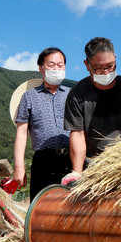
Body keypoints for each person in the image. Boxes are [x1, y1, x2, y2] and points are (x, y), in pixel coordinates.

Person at [62, 37, 121, 183]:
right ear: (87, 64)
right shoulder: (77, 94)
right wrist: (77, 171)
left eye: (110, 65)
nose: (105, 72)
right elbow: (77, 134)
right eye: (98, 67)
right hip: (96, 165)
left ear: (115, 59)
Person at [14, 47, 72, 202]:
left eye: (60, 65)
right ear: (41, 68)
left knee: (72, 209)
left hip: (72, 160)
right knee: (40, 209)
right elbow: (21, 133)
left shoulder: (72, 95)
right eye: (51, 65)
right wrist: (19, 168)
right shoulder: (29, 97)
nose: (56, 69)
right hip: (43, 161)